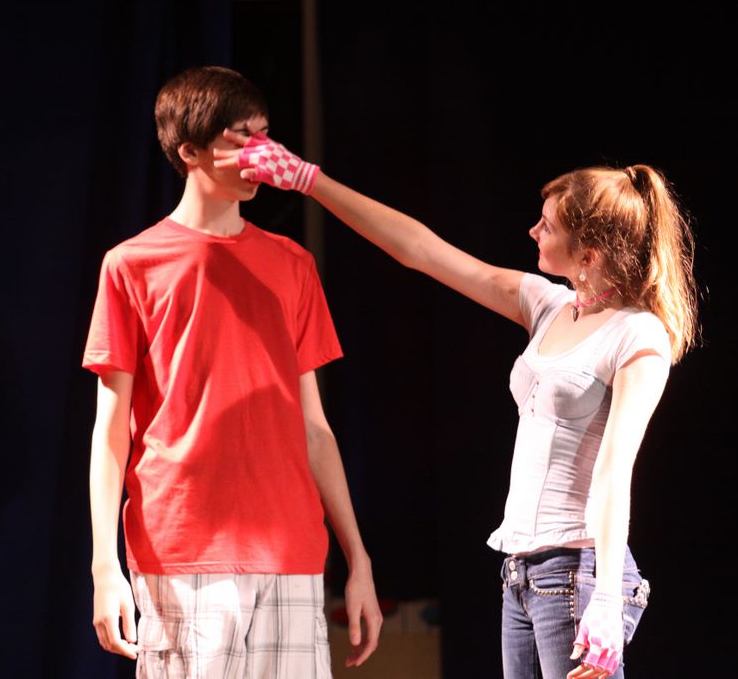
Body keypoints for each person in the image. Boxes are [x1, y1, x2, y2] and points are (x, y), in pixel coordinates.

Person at [215, 131, 698, 679]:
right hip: (522, 573)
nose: (533, 231)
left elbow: (614, 473)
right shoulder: (549, 305)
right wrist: (309, 180)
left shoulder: (638, 336)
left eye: (547, 226)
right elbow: (421, 251)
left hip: (579, 572)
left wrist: (607, 600)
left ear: (588, 254)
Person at [81, 66, 382, 678]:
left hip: (290, 549)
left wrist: (359, 558)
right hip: (182, 544)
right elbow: (111, 430)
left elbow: (314, 426)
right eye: (241, 137)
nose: (260, 153)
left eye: (264, 134)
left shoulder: (292, 264)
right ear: (189, 151)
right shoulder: (133, 265)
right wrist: (103, 564)